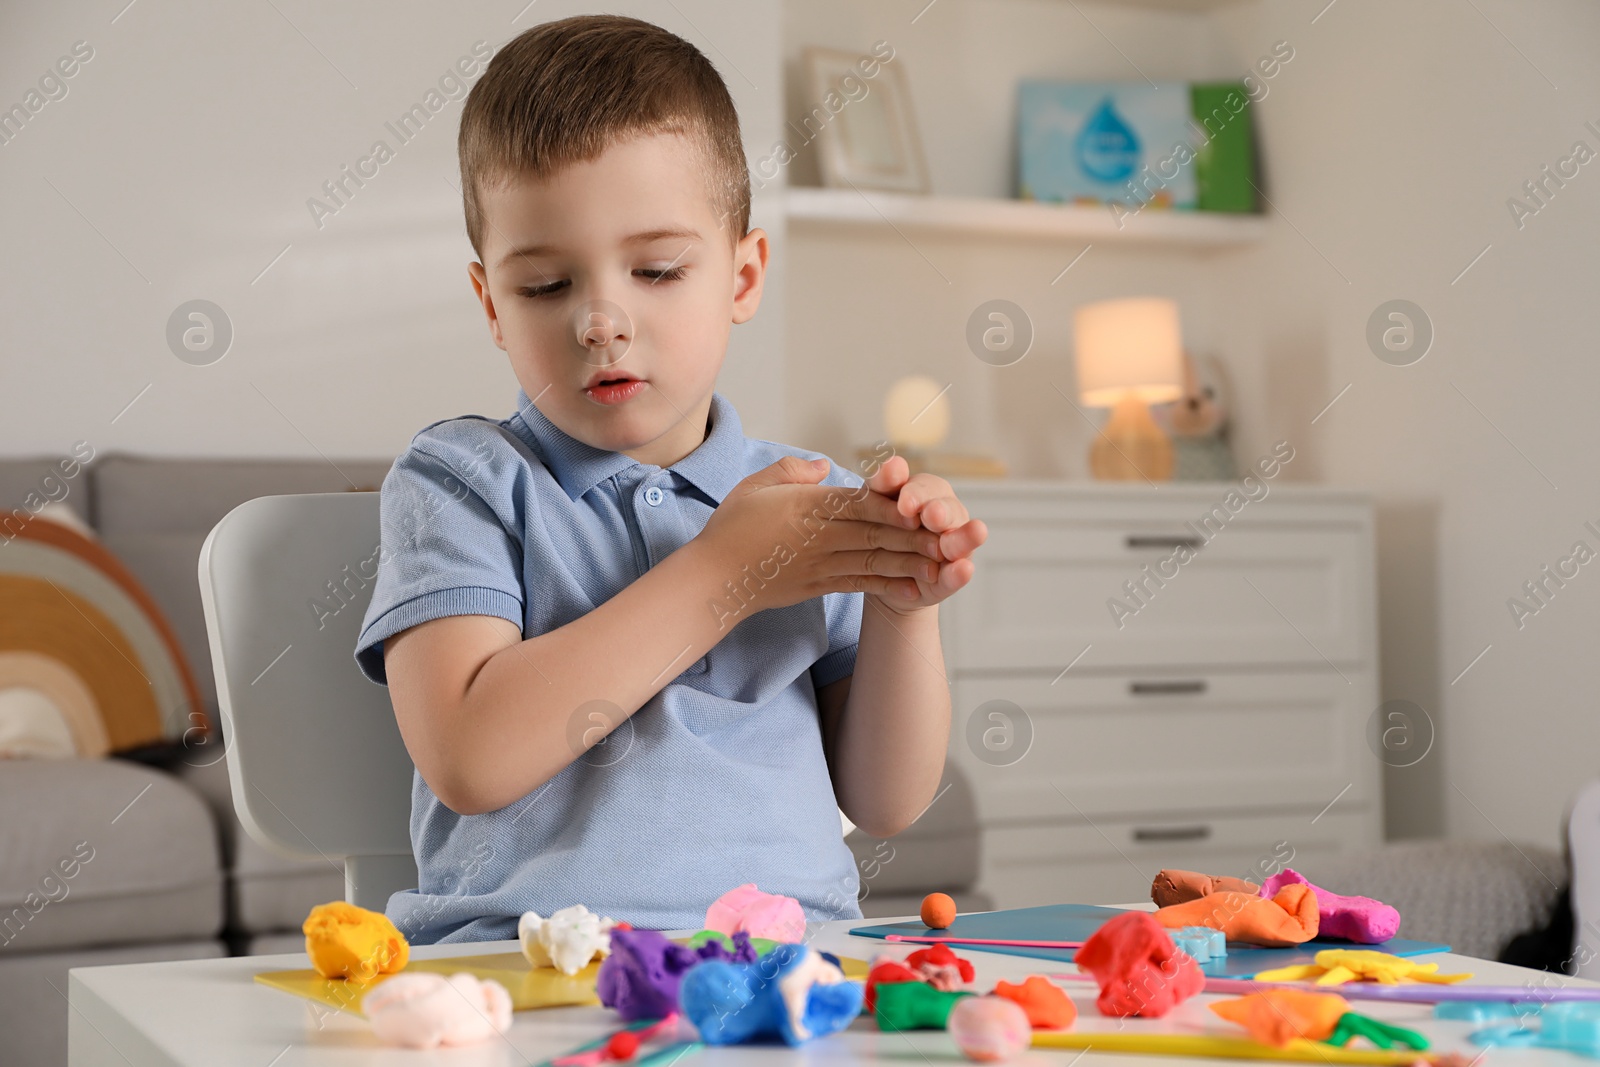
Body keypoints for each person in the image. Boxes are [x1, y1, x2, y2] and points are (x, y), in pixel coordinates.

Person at [353, 14, 987, 944]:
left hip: (790, 960)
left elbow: (887, 800)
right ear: (491, 303)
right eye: (544, 286)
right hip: (526, 967)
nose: (601, 320)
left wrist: (904, 605)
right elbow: (471, 757)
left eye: (655, 269)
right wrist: (724, 574)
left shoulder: (807, 503)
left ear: (741, 275)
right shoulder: (460, 480)